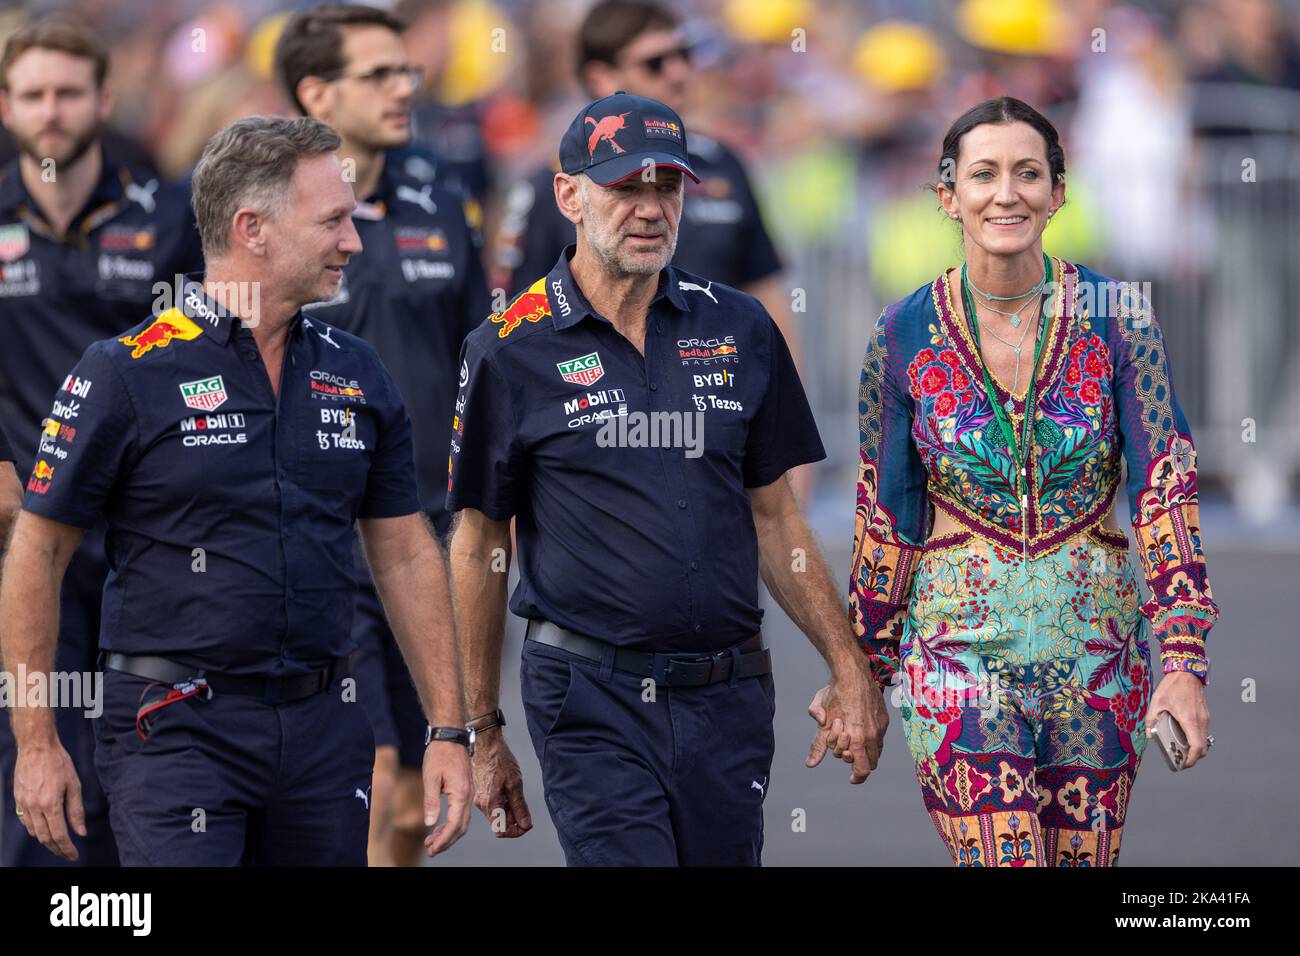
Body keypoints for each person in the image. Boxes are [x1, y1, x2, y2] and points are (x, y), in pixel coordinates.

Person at [0, 115, 471, 866]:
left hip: (324, 729)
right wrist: (36, 741)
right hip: (173, 730)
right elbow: (37, 551)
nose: (354, 241)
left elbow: (408, 555)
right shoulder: (123, 371)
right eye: (335, 221)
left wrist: (448, 728)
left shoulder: (357, 371)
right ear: (252, 228)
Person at [448, 92, 885, 867]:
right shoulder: (507, 350)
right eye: (626, 187)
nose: (651, 209)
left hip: (730, 693)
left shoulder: (741, 326)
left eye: (668, 187)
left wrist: (848, 666)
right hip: (590, 695)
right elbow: (480, 542)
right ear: (569, 196)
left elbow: (777, 519)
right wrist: (479, 731)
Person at [842, 96, 1219, 867]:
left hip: (1100, 656)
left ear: (1059, 192)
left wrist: (1182, 663)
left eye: (1027, 173)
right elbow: (887, 517)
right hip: (956, 656)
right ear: (948, 196)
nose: (1005, 193)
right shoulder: (902, 333)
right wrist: (862, 672)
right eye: (983, 175)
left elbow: (1164, 495)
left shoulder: (1121, 319)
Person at [275, 1, 491, 868]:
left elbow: (485, 354)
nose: (405, 87)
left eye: (409, 71)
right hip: (316, 529)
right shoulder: (257, 202)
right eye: (380, 74)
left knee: (416, 782)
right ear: (315, 91)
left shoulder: (440, 190)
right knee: (364, 770)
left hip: (427, 530)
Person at [0, 14, 203, 868]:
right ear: (7, 104)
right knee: (32, 761)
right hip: (23, 537)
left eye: (69, 92)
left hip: (145, 533)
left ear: (103, 98)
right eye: (34, 94)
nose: (52, 111)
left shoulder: (165, 215)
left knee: (150, 758)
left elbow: (210, 356)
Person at [492, 0, 792, 350]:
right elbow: (516, 316)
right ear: (601, 78)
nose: (678, 72)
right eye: (655, 64)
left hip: (718, 384)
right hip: (596, 390)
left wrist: (784, 390)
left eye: (684, 55)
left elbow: (766, 292)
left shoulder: (722, 162)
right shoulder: (554, 181)